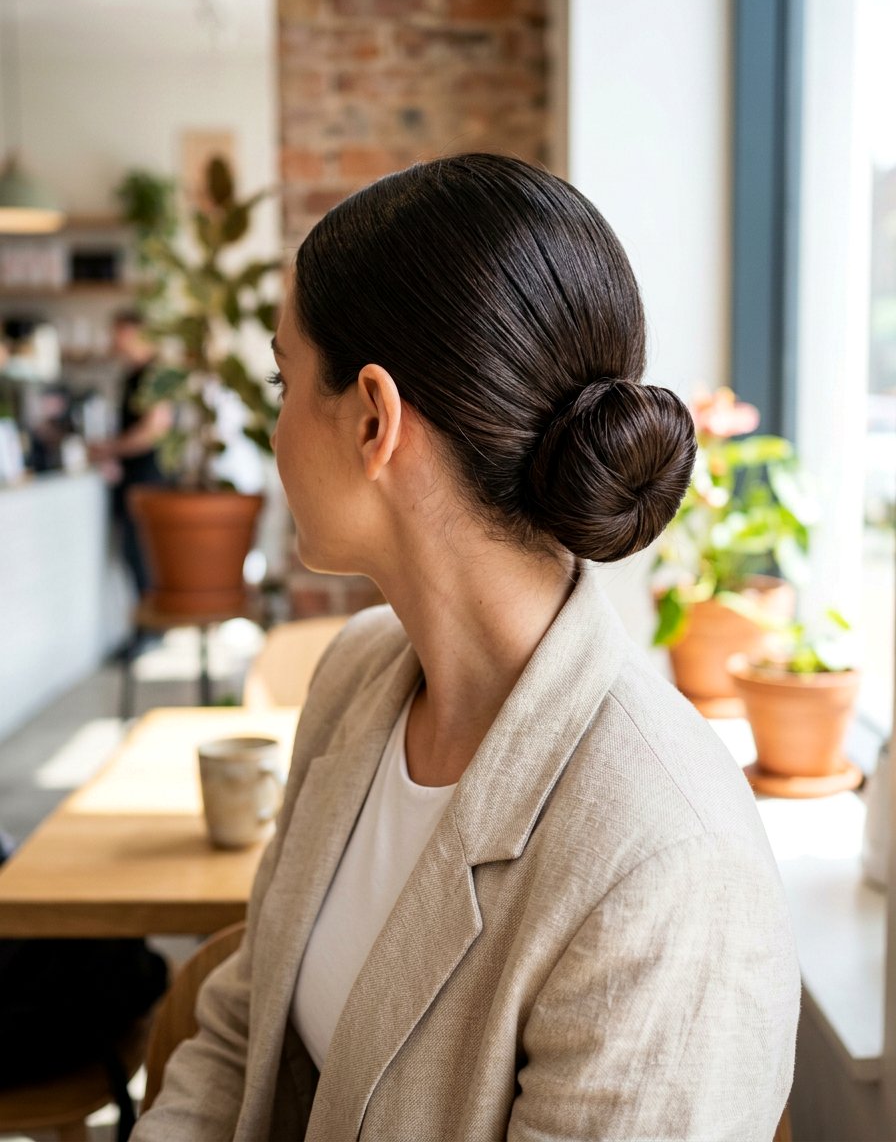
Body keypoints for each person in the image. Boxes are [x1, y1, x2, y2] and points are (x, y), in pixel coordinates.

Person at [133, 154, 800, 1141]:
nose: (273, 434)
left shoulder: (665, 864)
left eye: (283, 379)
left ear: (373, 419)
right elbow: (242, 1032)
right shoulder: (356, 677)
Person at [89, 308, 172, 598]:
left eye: (119, 333)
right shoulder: (131, 375)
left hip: (149, 478)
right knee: (133, 555)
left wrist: (110, 448)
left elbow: (154, 430)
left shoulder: (155, 374)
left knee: (143, 556)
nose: (114, 340)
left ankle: (149, 619)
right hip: (134, 478)